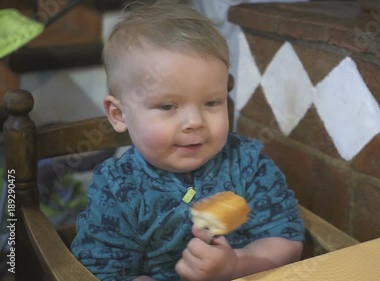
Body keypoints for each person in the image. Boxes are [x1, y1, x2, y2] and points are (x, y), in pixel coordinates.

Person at [70, 1, 305, 280]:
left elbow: (286, 238)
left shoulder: (248, 165)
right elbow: (101, 270)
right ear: (119, 114)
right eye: (168, 106)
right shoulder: (118, 188)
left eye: (212, 102)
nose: (195, 122)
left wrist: (235, 265)